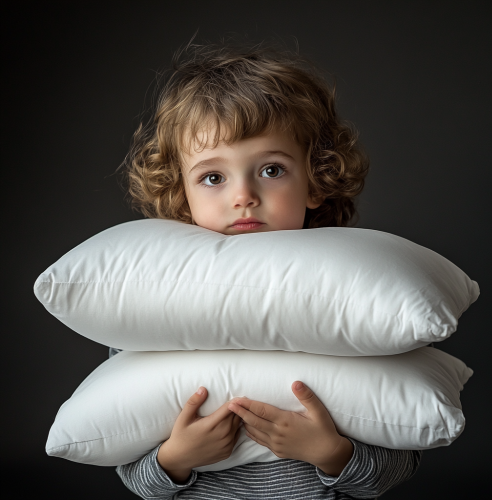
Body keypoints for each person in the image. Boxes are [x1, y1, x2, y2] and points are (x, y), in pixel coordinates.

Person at [112, 41, 422, 499]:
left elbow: (400, 458)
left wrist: (331, 453)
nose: (243, 195)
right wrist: (175, 459)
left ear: (315, 179)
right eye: (212, 177)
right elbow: (133, 470)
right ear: (182, 193)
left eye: (272, 169)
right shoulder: (151, 299)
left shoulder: (353, 295)